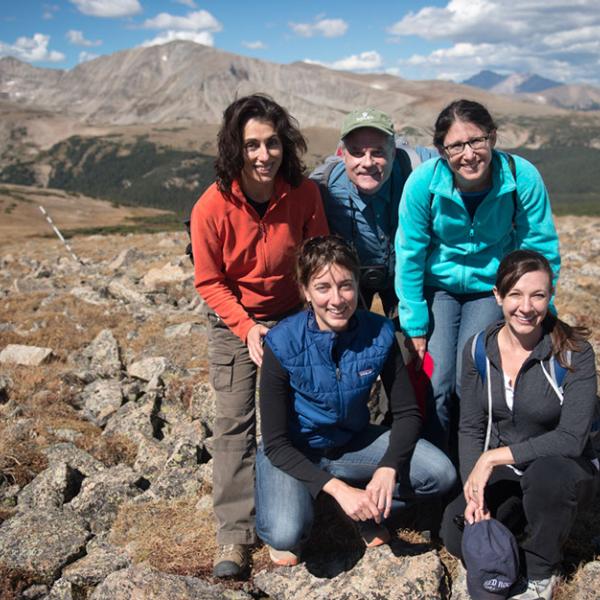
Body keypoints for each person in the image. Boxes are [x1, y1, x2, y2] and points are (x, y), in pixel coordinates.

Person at [190, 94, 329, 578]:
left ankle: (303, 500)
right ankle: (233, 535)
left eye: (272, 143)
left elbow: (317, 259)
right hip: (234, 319)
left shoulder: (304, 194)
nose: (263, 154)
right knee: (233, 422)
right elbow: (208, 280)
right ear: (236, 148)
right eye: (252, 145)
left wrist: (310, 322)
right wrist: (248, 329)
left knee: (294, 411)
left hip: (292, 314)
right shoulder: (211, 206)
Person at [255, 235, 456, 566]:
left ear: (357, 285)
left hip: (352, 443)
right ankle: (330, 499)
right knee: (285, 535)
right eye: (323, 288)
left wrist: (388, 468)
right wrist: (338, 489)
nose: (337, 299)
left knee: (440, 474)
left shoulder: (379, 333)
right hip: (295, 449)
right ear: (305, 291)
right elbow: (275, 443)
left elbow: (407, 413)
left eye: (346, 286)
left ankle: (359, 507)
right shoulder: (281, 342)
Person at [395, 99, 560, 451]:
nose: (468, 154)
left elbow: (540, 247)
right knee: (434, 379)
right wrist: (414, 323)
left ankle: (475, 459)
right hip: (436, 289)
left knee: (470, 376)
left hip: (491, 288)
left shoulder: (519, 176)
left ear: (493, 138)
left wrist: (542, 306)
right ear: (441, 150)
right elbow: (409, 254)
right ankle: (435, 466)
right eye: (456, 146)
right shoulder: (423, 183)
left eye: (477, 141)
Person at [440, 250, 598, 600]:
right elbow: (470, 428)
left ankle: (542, 568)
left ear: (550, 295)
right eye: (515, 294)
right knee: (455, 532)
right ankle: (528, 523)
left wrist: (493, 457)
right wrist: (473, 489)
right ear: (497, 296)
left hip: (565, 468)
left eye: (538, 295)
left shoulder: (573, 353)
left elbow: (572, 439)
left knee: (548, 478)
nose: (526, 307)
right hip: (510, 470)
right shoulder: (477, 349)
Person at [310, 108, 437, 318]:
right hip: (349, 288)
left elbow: (463, 156)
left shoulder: (417, 168)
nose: (367, 163)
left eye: (378, 152)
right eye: (357, 153)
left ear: (394, 152)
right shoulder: (322, 184)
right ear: (343, 155)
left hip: (407, 281)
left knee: (413, 349)